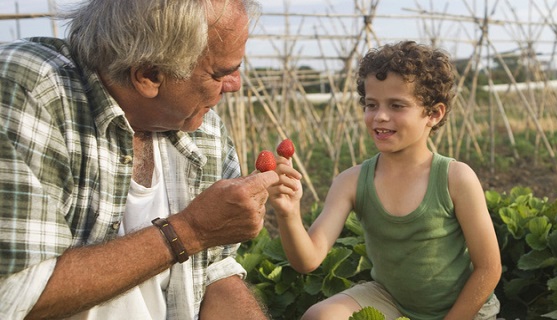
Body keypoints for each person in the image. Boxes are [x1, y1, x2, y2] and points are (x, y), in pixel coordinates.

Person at [0, 0, 294, 319]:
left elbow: (213, 273)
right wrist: (190, 231)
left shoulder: (203, 129)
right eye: (221, 72)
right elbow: (13, 295)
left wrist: (205, 236)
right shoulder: (31, 92)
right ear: (149, 74)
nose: (235, 85)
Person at [268, 41, 502, 320]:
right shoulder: (351, 181)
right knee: (319, 317)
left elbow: (489, 268)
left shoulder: (455, 178)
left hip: (463, 309)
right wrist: (288, 213)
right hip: (390, 298)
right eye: (371, 104)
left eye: (397, 105)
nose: (380, 116)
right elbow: (308, 260)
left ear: (433, 113)